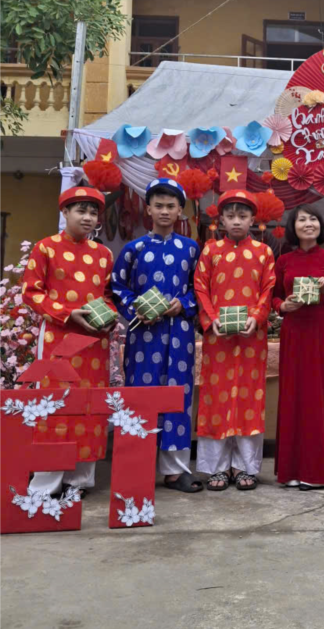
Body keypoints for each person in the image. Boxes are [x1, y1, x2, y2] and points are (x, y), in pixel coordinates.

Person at [21, 186, 117, 497]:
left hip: (93, 343)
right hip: (57, 339)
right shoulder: (45, 248)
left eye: (93, 212)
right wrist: (66, 313)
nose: (87, 217)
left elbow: (107, 296)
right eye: (81, 210)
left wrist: (111, 316)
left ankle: (79, 481)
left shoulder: (103, 254)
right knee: (55, 405)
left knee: (89, 406)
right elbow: (31, 292)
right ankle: (46, 482)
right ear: (64, 212)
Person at [111, 177, 203, 494]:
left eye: (171, 206)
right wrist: (134, 307)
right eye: (158, 205)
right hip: (143, 336)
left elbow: (200, 288)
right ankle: (136, 465)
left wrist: (185, 304)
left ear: (180, 211)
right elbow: (116, 287)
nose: (164, 211)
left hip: (179, 334)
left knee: (178, 396)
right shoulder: (133, 249)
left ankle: (175, 471)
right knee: (140, 394)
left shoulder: (191, 249)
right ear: (148, 209)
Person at [193, 189, 275, 492]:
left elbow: (268, 287)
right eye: (231, 216)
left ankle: (244, 467)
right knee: (216, 397)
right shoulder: (210, 250)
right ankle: (216, 466)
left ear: (253, 219)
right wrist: (211, 319)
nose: (237, 221)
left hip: (252, 337)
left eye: (243, 216)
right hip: (218, 338)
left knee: (249, 398)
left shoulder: (264, 252)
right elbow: (200, 287)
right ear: (222, 220)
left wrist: (257, 316)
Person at [272, 204, 324, 490]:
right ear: (293, 227)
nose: (308, 223)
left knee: (322, 394)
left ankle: (323, 472)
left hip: (322, 329)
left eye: (314, 219)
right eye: (302, 219)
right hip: (294, 330)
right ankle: (293, 470)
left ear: (321, 225)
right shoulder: (283, 261)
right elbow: (274, 297)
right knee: (294, 395)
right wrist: (283, 306)